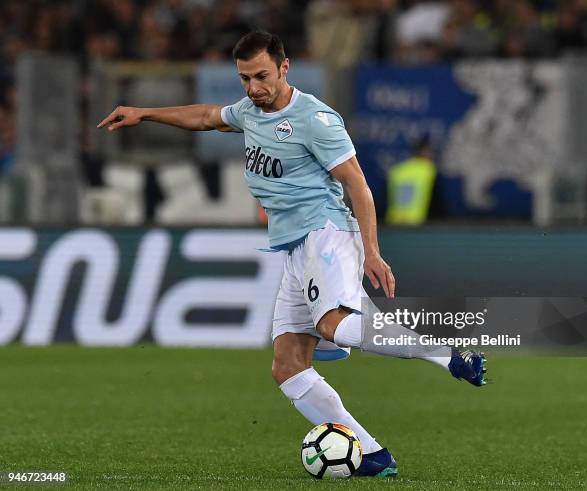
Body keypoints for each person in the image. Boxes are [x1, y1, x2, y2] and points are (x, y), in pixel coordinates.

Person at [98, 30, 487, 478]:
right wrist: (144, 113)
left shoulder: (315, 119)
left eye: (261, 76)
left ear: (285, 68)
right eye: (244, 78)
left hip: (326, 233)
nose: (253, 88)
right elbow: (206, 116)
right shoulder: (250, 110)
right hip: (293, 246)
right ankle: (372, 453)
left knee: (334, 326)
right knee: (286, 366)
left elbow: (357, 184)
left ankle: (451, 354)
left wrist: (372, 252)